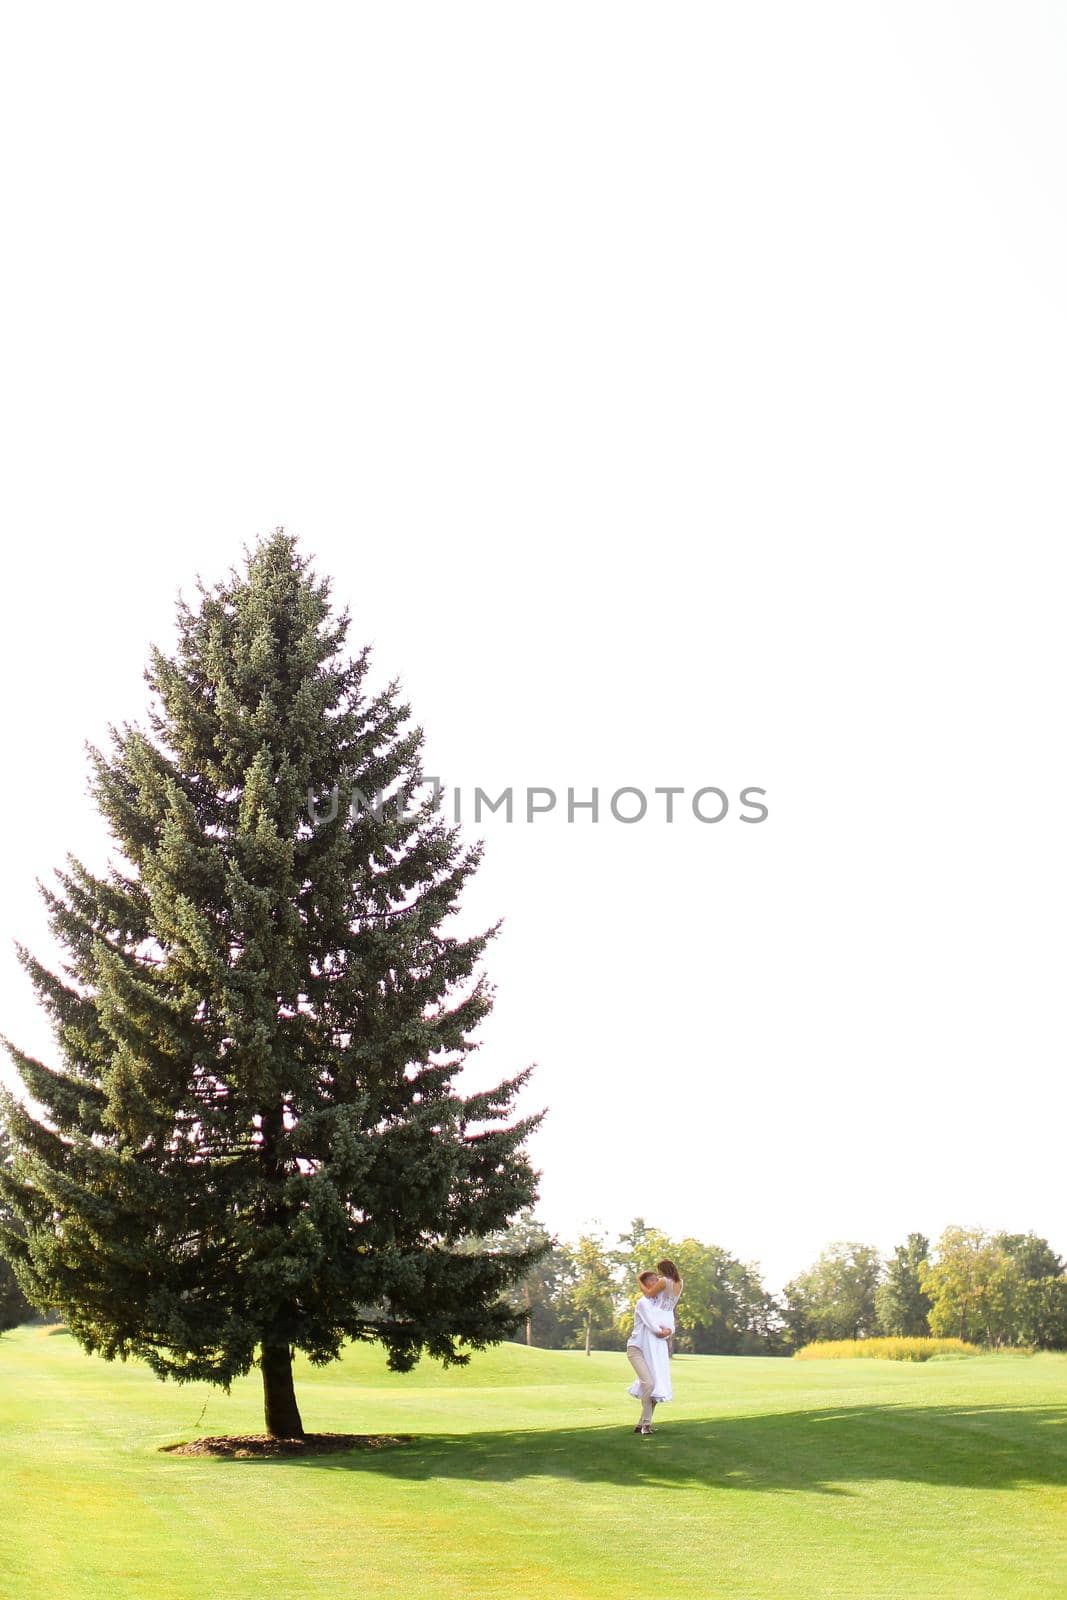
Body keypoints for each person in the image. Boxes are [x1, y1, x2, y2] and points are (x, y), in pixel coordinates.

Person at [626, 1270, 673, 1435]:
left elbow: (670, 1324)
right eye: (653, 1280)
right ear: (646, 1285)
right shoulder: (643, 1303)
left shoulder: (660, 1303)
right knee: (649, 1384)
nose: (657, 1282)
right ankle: (646, 1425)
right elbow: (655, 1328)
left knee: (656, 1387)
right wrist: (665, 1331)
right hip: (636, 1349)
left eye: (657, 1279)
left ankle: (641, 1424)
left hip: (652, 1351)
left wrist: (668, 1330)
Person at [654, 1258, 684, 1357]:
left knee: (652, 1343)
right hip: (669, 1315)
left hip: (658, 1313)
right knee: (661, 1344)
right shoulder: (680, 1282)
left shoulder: (664, 1281)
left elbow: (650, 1294)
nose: (658, 1272)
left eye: (659, 1270)